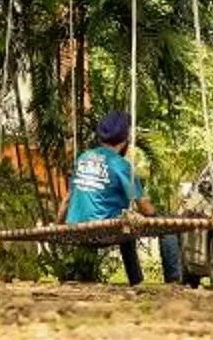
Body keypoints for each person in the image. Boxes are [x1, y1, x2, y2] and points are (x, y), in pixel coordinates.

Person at [62, 110, 183, 286]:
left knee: (127, 226)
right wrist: (157, 215)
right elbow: (146, 209)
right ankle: (173, 281)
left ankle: (136, 281)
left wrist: (58, 226)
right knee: (167, 227)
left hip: (79, 228)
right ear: (125, 139)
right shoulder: (122, 165)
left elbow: (67, 199)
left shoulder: (83, 158)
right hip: (106, 229)